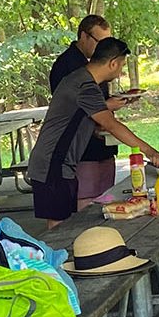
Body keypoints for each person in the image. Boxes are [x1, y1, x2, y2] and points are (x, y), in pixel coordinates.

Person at [28, 37, 159, 230]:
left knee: (65, 221)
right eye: (121, 66)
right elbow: (111, 124)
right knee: (58, 225)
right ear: (113, 63)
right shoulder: (85, 86)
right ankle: (56, 259)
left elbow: (85, 122)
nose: (120, 71)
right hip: (53, 162)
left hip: (60, 162)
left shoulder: (80, 79)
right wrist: (150, 151)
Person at [49, 14, 132, 204]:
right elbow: (72, 108)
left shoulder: (95, 63)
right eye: (100, 42)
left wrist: (115, 102)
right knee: (86, 203)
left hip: (103, 144)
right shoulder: (67, 66)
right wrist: (106, 106)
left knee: (108, 199)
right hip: (82, 150)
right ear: (84, 36)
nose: (105, 49)